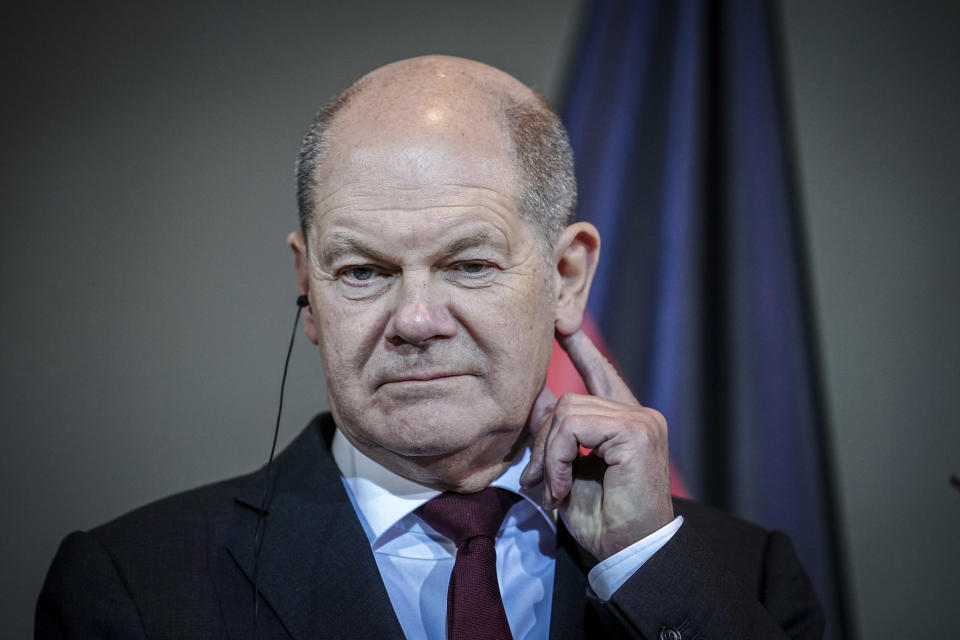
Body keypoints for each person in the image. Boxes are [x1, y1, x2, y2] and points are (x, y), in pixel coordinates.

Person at [36, 55, 823, 639]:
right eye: (364, 270)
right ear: (307, 286)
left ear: (567, 275)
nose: (415, 320)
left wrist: (642, 568)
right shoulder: (131, 588)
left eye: (469, 264)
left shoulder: (743, 575)